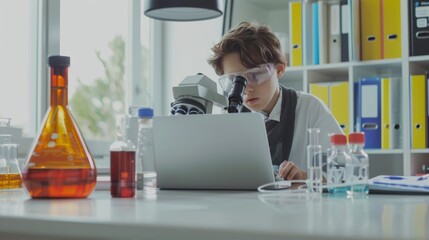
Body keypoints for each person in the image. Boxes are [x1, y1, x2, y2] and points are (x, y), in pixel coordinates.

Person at [208, 21, 343, 181]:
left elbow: (346, 174)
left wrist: (304, 178)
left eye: (255, 75)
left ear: (279, 69)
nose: (247, 89)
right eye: (235, 81)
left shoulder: (309, 109)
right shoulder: (229, 117)